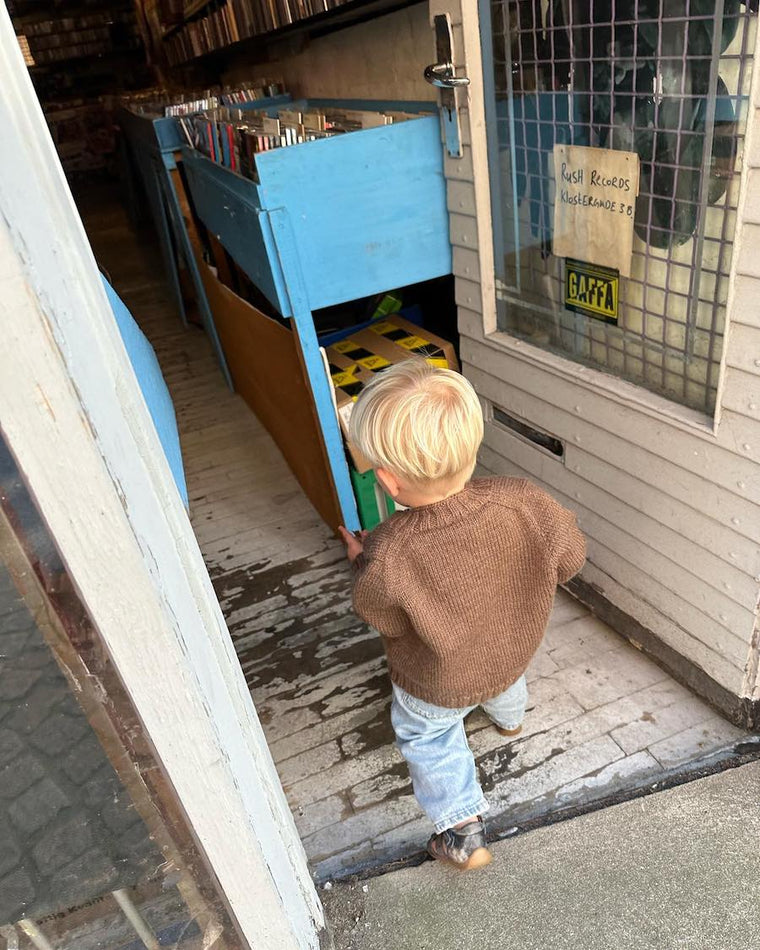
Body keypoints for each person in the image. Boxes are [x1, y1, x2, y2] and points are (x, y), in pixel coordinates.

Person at [339, 358, 586, 871]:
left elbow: (380, 614)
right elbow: (569, 559)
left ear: (387, 481)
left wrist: (361, 562)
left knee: (428, 736)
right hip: (511, 650)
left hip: (437, 679)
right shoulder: (522, 500)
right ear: (472, 448)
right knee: (502, 677)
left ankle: (462, 830)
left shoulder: (389, 550)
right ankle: (510, 722)